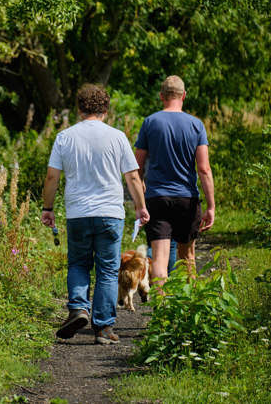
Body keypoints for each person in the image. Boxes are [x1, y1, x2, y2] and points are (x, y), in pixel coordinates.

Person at [41, 84, 149, 344]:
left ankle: (79, 308)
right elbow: (133, 176)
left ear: (79, 109)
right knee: (109, 270)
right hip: (110, 213)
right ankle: (103, 328)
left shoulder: (65, 137)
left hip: (77, 213)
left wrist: (48, 208)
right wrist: (140, 206)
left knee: (78, 263)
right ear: (105, 109)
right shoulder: (117, 137)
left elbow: (52, 176)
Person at [134, 75, 215, 285]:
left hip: (157, 199)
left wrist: (139, 200)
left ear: (162, 96)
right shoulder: (196, 125)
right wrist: (211, 206)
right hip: (187, 199)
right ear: (184, 96)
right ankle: (187, 310)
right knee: (187, 258)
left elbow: (138, 167)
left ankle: (162, 312)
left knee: (159, 261)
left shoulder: (150, 122)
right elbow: (204, 168)